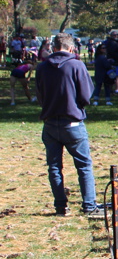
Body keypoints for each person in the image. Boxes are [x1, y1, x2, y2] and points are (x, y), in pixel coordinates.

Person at [36, 33, 101, 217]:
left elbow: (39, 94)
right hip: (72, 122)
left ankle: (60, 206)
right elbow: (86, 95)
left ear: (53, 47)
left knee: (54, 167)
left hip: (50, 122)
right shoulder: (77, 65)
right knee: (84, 166)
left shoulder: (42, 67)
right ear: (71, 48)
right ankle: (89, 205)